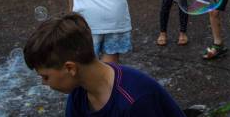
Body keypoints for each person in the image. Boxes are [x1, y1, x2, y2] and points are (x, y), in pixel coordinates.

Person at [24, 13, 186, 117]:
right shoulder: (79, 93)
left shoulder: (134, 102)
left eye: (45, 76)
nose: (44, 83)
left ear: (70, 68)